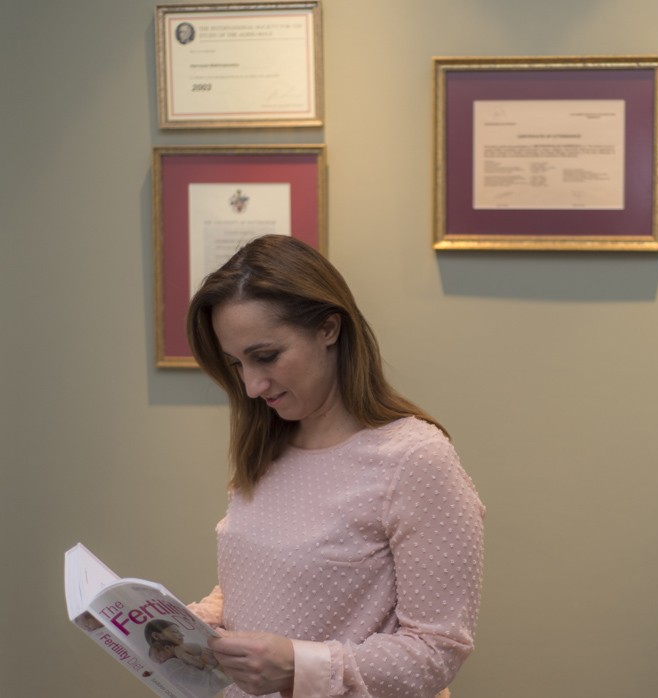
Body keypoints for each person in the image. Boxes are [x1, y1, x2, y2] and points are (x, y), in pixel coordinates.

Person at [185, 235, 485, 698]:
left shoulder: (415, 459)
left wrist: (298, 666)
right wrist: (201, 621)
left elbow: (437, 651)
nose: (251, 386)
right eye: (237, 364)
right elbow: (269, 578)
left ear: (328, 328)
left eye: (266, 357)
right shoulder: (266, 447)